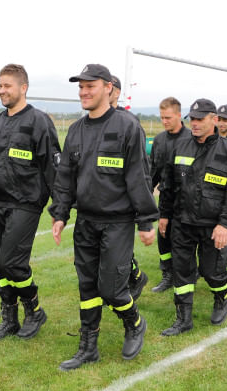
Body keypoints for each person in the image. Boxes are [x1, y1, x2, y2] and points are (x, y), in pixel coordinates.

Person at [50, 63, 158, 370]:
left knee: (111, 288)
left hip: (117, 222)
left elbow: (139, 176)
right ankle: (88, 347)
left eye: (90, 86)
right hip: (85, 221)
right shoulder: (76, 130)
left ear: (108, 88)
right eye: (81, 87)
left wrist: (146, 221)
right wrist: (60, 213)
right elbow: (65, 177)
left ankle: (134, 323)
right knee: (87, 287)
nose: (84, 92)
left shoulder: (127, 126)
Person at [0, 64, 61, 341]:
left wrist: (58, 208)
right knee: (1, 267)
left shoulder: (38, 121)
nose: (2, 91)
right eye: (0, 85)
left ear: (23, 88)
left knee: (13, 262)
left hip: (26, 203)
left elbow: (53, 167)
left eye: (7, 86)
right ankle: (10, 318)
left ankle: (34, 309)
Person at [158, 98, 227, 336]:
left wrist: (224, 224)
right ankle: (183, 318)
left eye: (199, 119)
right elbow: (168, 184)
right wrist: (164, 215)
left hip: (212, 225)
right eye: (192, 119)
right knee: (182, 271)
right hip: (182, 223)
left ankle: (223, 296)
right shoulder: (181, 146)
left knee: (212, 271)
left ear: (214, 119)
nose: (194, 124)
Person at [111, 74, 150, 300]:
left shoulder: (129, 122)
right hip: (100, 198)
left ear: (115, 92)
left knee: (117, 250)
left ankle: (132, 277)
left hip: (122, 199)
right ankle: (134, 276)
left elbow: (140, 166)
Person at [149, 97, 191, 293]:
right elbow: (154, 171)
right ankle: (168, 275)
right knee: (164, 238)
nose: (164, 121)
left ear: (179, 115)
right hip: (166, 200)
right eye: (162, 118)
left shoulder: (191, 139)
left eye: (168, 117)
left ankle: (187, 274)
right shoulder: (159, 140)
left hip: (187, 202)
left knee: (184, 242)